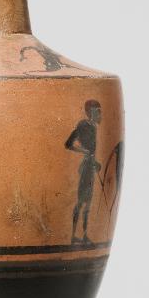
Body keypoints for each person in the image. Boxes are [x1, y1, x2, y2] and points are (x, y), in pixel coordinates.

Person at [65, 100, 102, 243]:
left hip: (90, 167)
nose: (100, 114)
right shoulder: (83, 125)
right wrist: (84, 152)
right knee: (81, 202)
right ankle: (73, 235)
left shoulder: (93, 127)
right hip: (86, 168)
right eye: (97, 111)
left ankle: (85, 234)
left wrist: (95, 162)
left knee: (88, 204)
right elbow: (68, 144)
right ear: (90, 112)